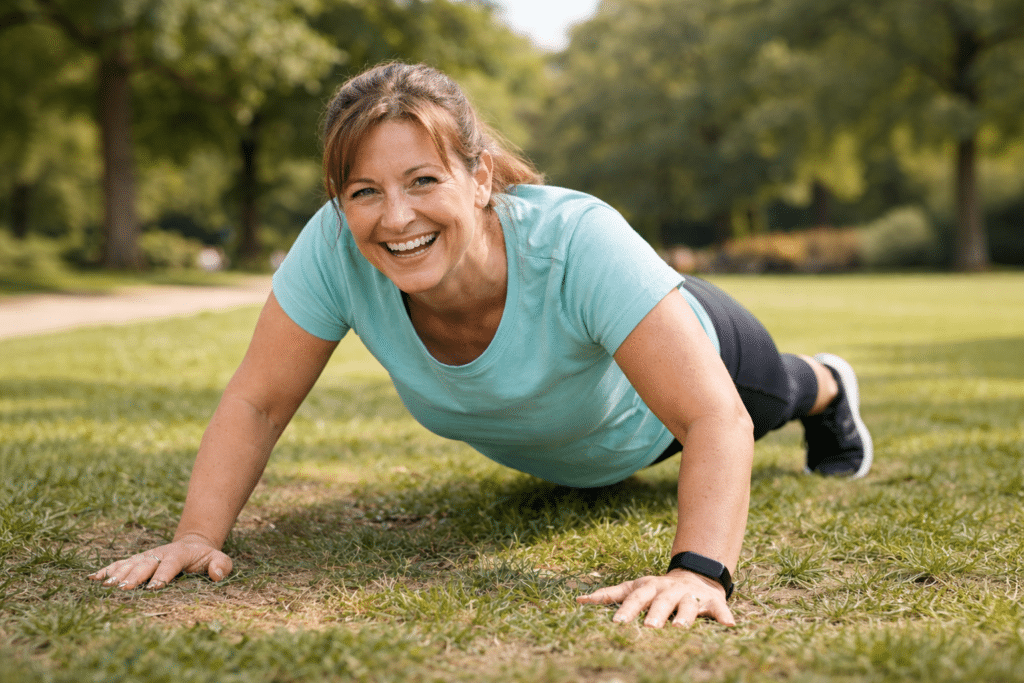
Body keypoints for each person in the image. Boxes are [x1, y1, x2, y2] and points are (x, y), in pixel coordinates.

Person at [88, 61, 872, 629]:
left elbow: (714, 418)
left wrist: (699, 573)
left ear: (481, 177)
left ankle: (829, 383)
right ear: (339, 201)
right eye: (364, 191)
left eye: (422, 180)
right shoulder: (331, 251)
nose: (396, 216)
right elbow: (258, 402)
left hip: (691, 376)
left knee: (780, 393)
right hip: (576, 450)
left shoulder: (577, 240)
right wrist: (197, 535)